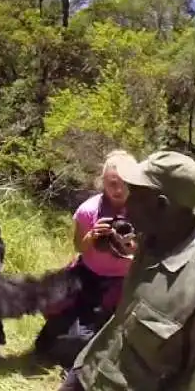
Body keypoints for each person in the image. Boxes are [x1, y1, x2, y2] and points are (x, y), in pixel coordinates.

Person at [60, 151, 195, 391]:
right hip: (89, 371)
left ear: (161, 205)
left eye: (135, 195)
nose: (126, 206)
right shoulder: (151, 241)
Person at [35, 150, 137, 367]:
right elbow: (78, 246)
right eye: (112, 183)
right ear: (103, 182)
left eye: (124, 183)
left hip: (121, 281)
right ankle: (55, 335)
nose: (118, 189)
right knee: (50, 302)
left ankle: (80, 350)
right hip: (86, 272)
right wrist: (91, 236)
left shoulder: (144, 212)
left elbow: (153, 252)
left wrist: (131, 246)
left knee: (83, 335)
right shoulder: (89, 210)